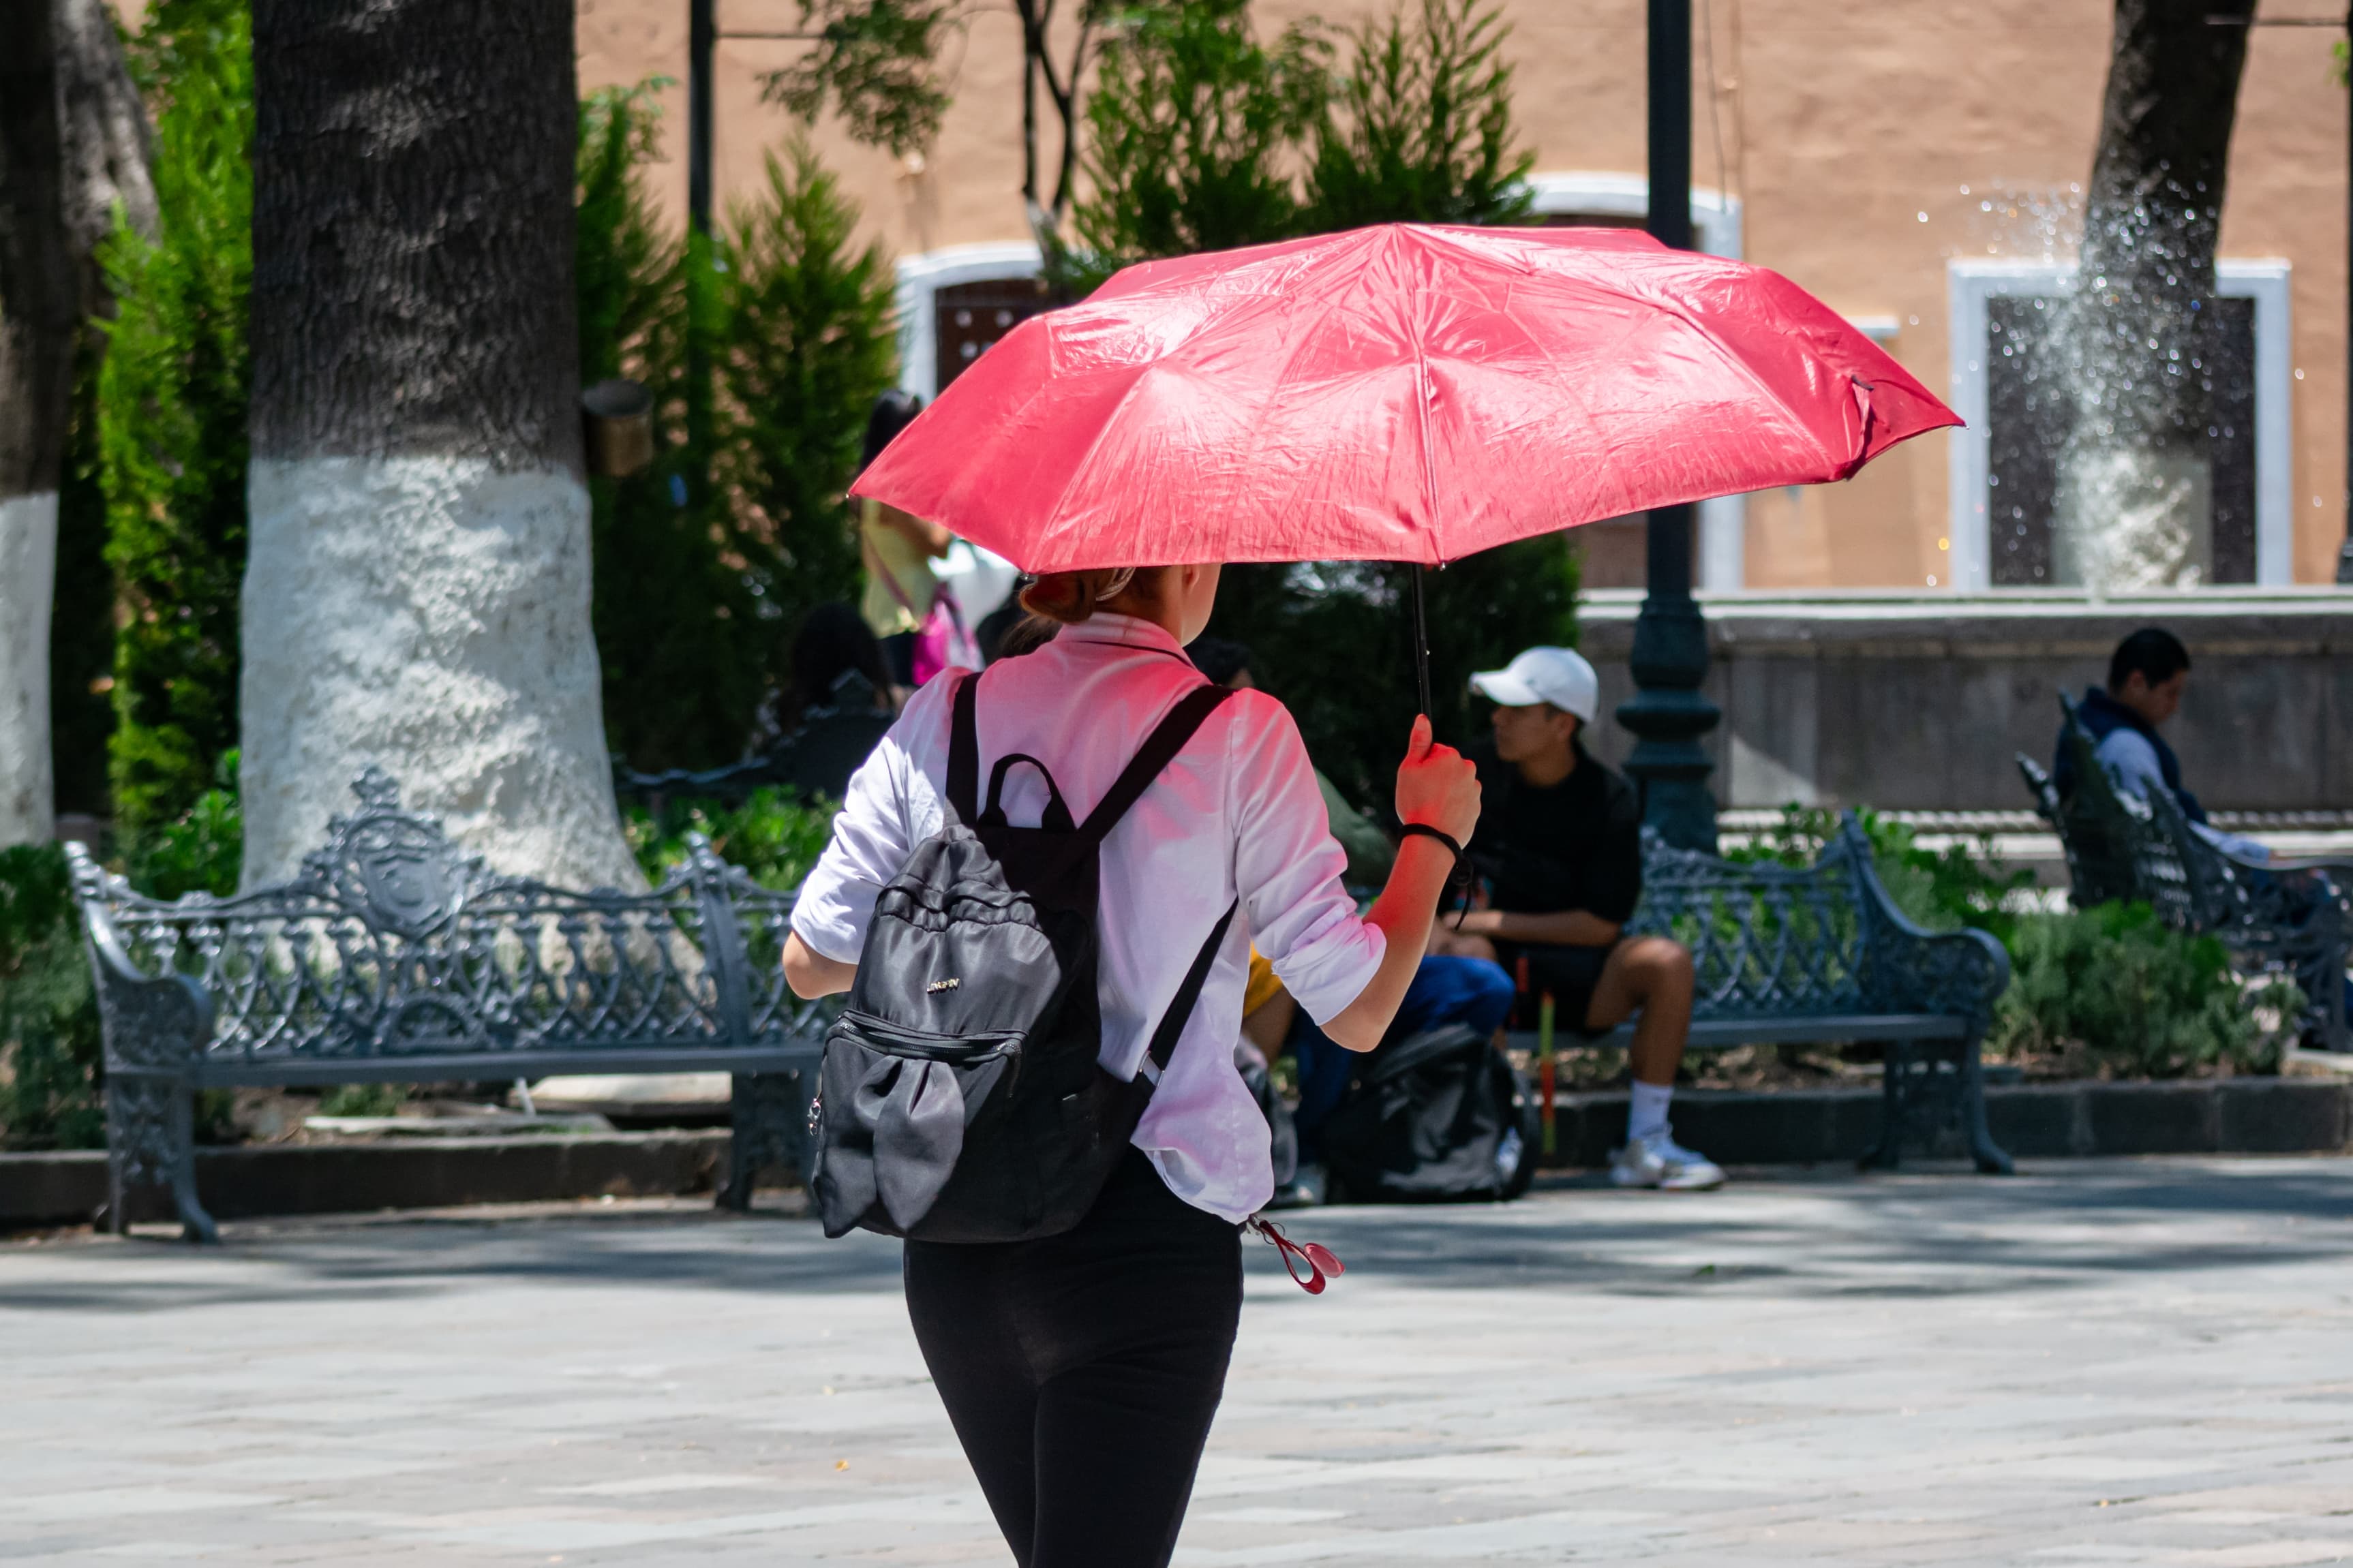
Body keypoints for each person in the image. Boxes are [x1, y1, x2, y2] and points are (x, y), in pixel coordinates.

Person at [780, 562, 1481, 1568]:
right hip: (1142, 1227)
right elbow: (1360, 1008)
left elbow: (814, 961)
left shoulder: (949, 712)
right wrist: (1432, 837)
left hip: (954, 1213)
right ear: (1190, 556)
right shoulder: (1239, 734)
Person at [1194, 636, 1514, 1204]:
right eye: (1240, 693)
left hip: (1332, 942)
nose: (1252, 701)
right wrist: (1431, 834)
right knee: (1322, 994)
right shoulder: (1244, 739)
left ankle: (1423, 1132)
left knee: (1481, 982)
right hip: (1275, 971)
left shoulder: (995, 707)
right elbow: (1353, 996)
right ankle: (1309, 1148)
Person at [1429, 645, 1726, 1193]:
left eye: (1517, 709)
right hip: (1491, 975)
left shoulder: (1609, 798)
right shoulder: (1471, 777)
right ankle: (1491, 1136)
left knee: (1666, 961)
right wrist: (1466, 929)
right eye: (1499, 707)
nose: (1498, 718)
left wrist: (1491, 922)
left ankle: (1648, 1141)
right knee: (1471, 960)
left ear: (1561, 723)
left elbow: (1602, 925)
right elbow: (1442, 901)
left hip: (1582, 978)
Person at [2056, 628, 2268, 860]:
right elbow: (2168, 833)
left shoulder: (2094, 727)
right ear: (2137, 682)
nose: (2175, 706)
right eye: (2171, 693)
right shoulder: (2125, 746)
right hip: (2185, 878)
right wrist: (2254, 854)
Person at [856, 390, 955, 690]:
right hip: (906, 616)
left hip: (886, 606)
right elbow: (939, 545)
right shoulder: (891, 488)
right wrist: (950, 501)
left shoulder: (869, 483)